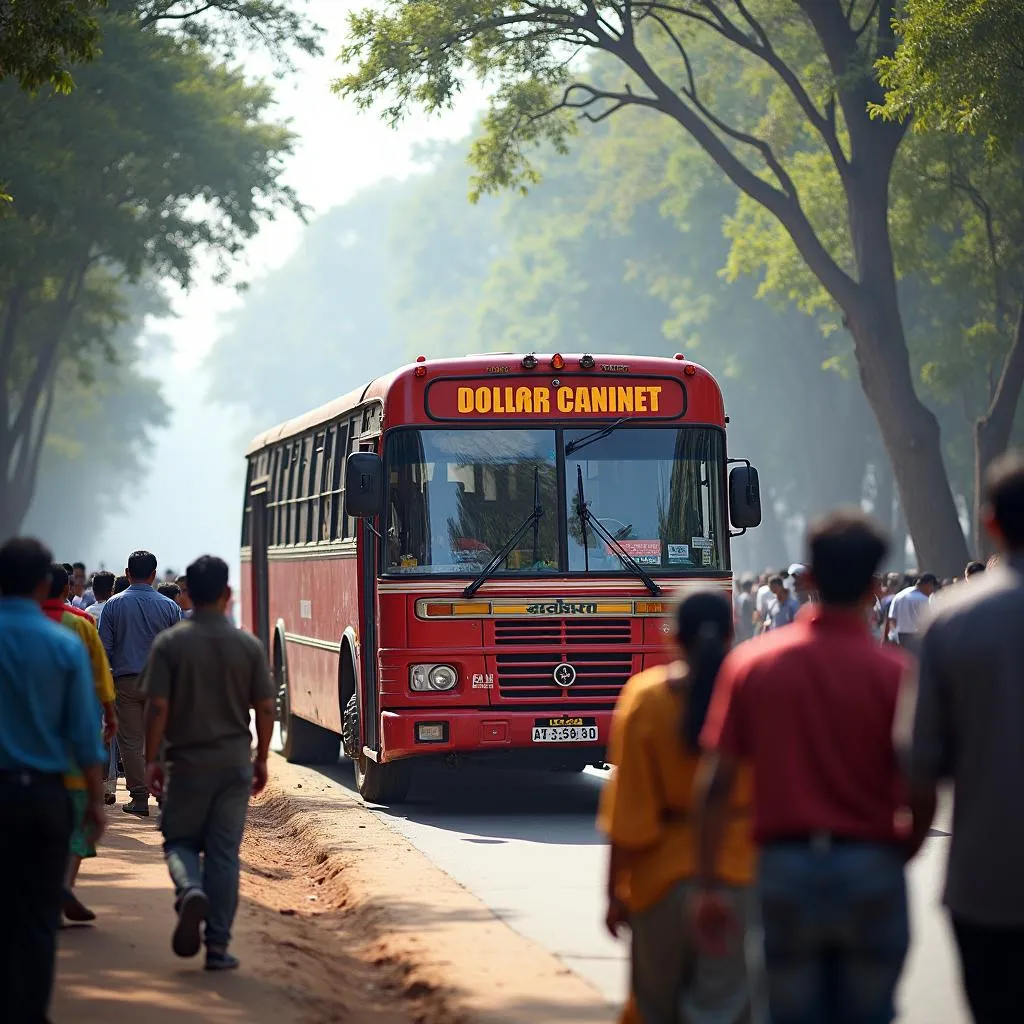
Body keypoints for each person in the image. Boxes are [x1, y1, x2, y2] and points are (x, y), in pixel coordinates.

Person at [695, 510, 928, 1024]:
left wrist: (709, 884)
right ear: (874, 587)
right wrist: (899, 850)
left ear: (810, 580)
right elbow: (922, 782)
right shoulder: (897, 676)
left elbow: (716, 784)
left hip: (785, 866)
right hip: (871, 861)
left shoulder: (754, 667)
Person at [898, 451, 1024, 1023]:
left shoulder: (952, 620)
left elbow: (921, 769)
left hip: (987, 882)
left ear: (991, 522)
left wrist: (902, 849)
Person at [599, 591, 757, 1024]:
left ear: (672, 636)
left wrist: (614, 893)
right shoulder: (754, 691)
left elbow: (627, 816)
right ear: (732, 631)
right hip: (738, 878)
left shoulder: (644, 698)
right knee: (725, 1009)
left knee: (653, 1010)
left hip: (658, 884)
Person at [141, 555, 276, 970]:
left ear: (188, 595)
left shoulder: (170, 644)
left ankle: (189, 890)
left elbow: (157, 707)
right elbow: (267, 707)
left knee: (180, 841)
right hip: (234, 763)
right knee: (224, 854)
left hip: (186, 764)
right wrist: (262, 758)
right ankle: (217, 947)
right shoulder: (247, 645)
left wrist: (151, 759)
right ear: (226, 594)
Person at [0, 537, 107, 1022]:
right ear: (47, 583)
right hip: (46, 796)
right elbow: (86, 736)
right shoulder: (66, 643)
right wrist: (95, 804)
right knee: (41, 916)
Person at [42, 564, 118, 922]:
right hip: (72, 744)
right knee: (76, 821)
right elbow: (102, 680)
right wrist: (110, 714)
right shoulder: (80, 624)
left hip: (16, 754)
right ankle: (64, 888)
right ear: (65, 588)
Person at [99, 550, 182, 816]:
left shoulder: (113, 605)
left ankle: (139, 797)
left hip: (126, 683)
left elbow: (104, 650)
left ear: (127, 573)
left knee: (131, 742)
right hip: (160, 683)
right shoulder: (170, 606)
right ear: (154, 575)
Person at [884, 572, 938, 654]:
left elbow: (892, 618)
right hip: (918, 638)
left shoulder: (899, 595)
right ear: (929, 584)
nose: (932, 591)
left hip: (900, 636)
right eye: (933, 588)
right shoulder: (924, 599)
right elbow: (930, 622)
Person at [734, 577, 755, 644]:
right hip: (746, 624)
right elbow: (749, 612)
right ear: (750, 587)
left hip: (741, 624)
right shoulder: (747, 598)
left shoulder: (741, 596)